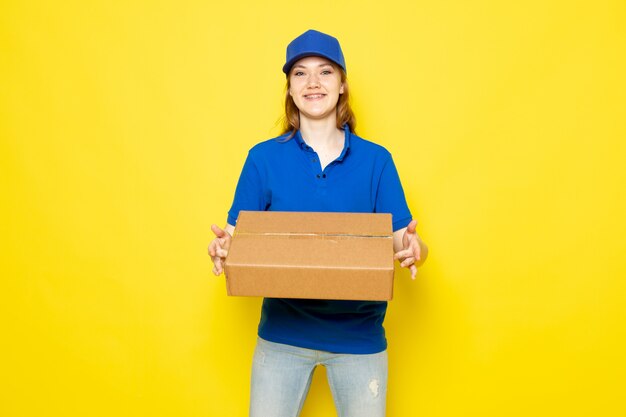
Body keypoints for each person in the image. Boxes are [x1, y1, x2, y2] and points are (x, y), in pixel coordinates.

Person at [208, 29, 428, 417]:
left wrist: (415, 250)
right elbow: (235, 239)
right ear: (289, 89)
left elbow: (404, 242)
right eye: (300, 74)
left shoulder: (377, 161)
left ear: (342, 85)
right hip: (282, 337)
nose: (313, 83)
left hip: (358, 338)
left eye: (325, 72)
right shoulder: (263, 159)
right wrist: (223, 249)